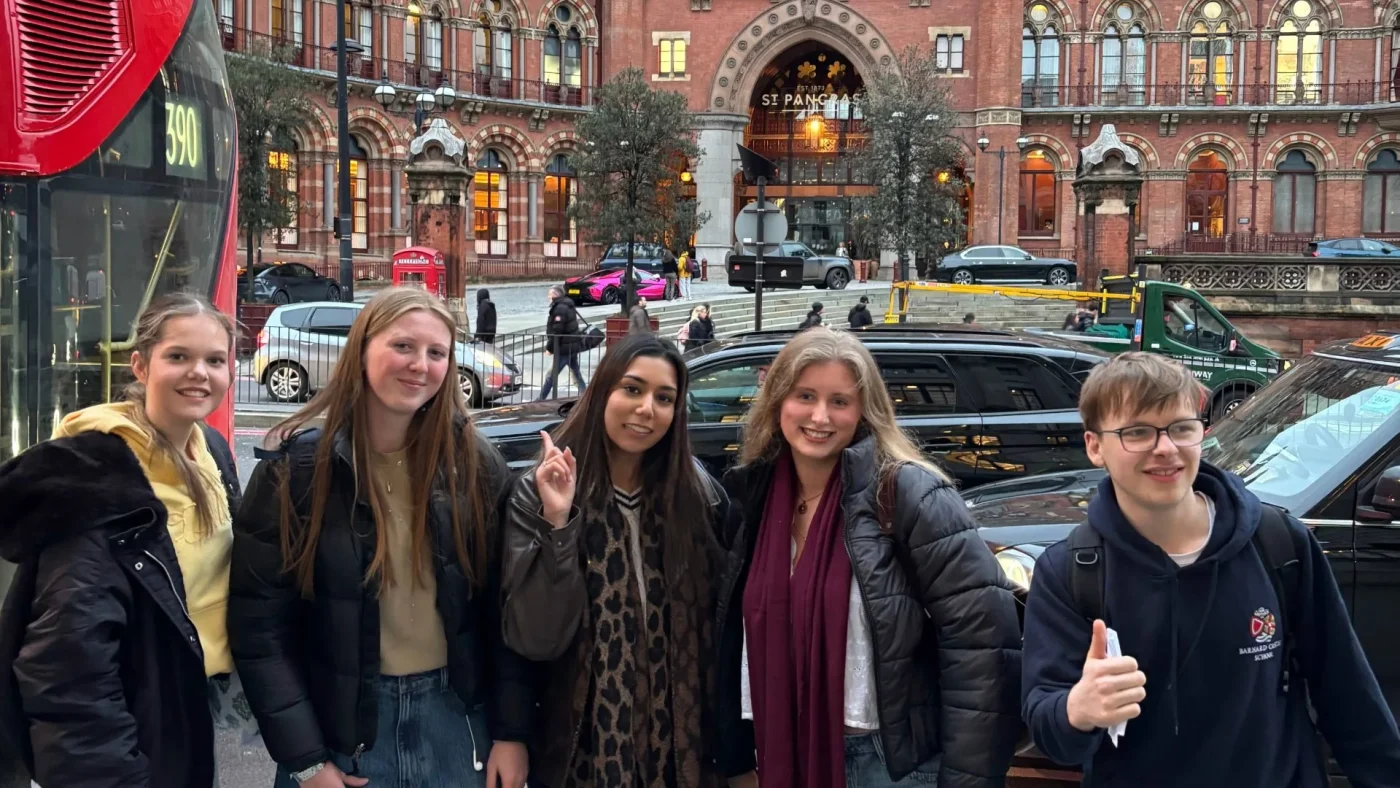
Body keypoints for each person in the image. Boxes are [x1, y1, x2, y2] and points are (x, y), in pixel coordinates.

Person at [1020, 353, 1400, 786]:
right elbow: (1050, 730)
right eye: (1137, 432)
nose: (1165, 449)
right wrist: (1078, 710)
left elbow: (1349, 697)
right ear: (1094, 446)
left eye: (1181, 428)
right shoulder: (1071, 571)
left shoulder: (1278, 544)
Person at [230, 288, 531, 788]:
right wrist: (305, 759)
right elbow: (259, 626)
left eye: (437, 353)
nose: (420, 365)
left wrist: (512, 732)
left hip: (456, 724)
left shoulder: (474, 465)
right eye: (404, 346)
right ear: (363, 348)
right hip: (341, 737)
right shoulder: (297, 472)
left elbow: (505, 611)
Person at [717, 327, 1023, 788]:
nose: (820, 416)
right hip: (781, 748)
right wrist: (736, 756)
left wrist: (968, 780)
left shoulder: (909, 495)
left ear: (864, 411)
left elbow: (983, 648)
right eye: (805, 396)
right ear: (778, 399)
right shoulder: (754, 498)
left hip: (891, 764)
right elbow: (729, 640)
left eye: (839, 401)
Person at [0, 293, 241, 788]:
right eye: (179, 356)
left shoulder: (209, 449)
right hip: (127, 729)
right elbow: (67, 666)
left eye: (215, 360)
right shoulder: (98, 480)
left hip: (183, 705)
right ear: (140, 364)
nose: (199, 372)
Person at [500, 333, 730, 788]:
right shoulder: (539, 492)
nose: (647, 409)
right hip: (582, 740)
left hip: (680, 742)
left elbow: (717, 636)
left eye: (664, 398)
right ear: (603, 390)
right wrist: (559, 523)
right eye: (632, 389)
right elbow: (534, 637)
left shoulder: (698, 497)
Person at [539, 285, 587, 400]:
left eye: (550, 294)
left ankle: (540, 399)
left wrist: (549, 348)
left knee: (551, 375)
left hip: (564, 347)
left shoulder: (560, 308)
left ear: (555, 295)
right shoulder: (567, 305)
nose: (548, 297)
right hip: (571, 345)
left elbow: (557, 330)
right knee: (576, 373)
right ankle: (585, 395)